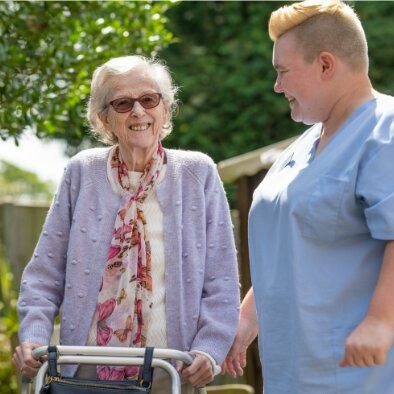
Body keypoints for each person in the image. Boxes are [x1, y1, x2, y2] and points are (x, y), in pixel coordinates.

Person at [12, 55, 240, 393]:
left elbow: (221, 280)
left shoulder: (197, 174)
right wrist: (32, 338)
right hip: (84, 371)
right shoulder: (82, 172)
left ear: (165, 110)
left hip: (170, 370)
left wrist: (209, 347)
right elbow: (44, 275)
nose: (138, 111)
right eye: (122, 103)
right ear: (104, 119)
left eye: (149, 99)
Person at [222, 1, 394, 393]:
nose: (277, 86)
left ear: (325, 65)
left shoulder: (385, 131)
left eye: (282, 72)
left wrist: (382, 321)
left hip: (361, 377)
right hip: (292, 375)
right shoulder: (300, 148)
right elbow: (292, 246)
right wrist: (247, 321)